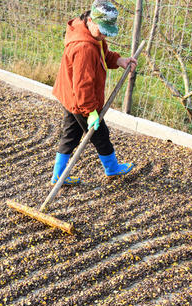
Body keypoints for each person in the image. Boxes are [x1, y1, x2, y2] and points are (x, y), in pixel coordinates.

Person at [51, 0, 137, 185]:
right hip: (81, 100)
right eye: (102, 29)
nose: (104, 35)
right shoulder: (84, 48)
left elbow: (103, 54)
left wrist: (119, 60)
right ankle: (112, 168)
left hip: (71, 96)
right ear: (90, 20)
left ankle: (58, 174)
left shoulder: (92, 35)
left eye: (107, 31)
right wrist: (91, 112)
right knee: (100, 134)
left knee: (70, 134)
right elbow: (83, 86)